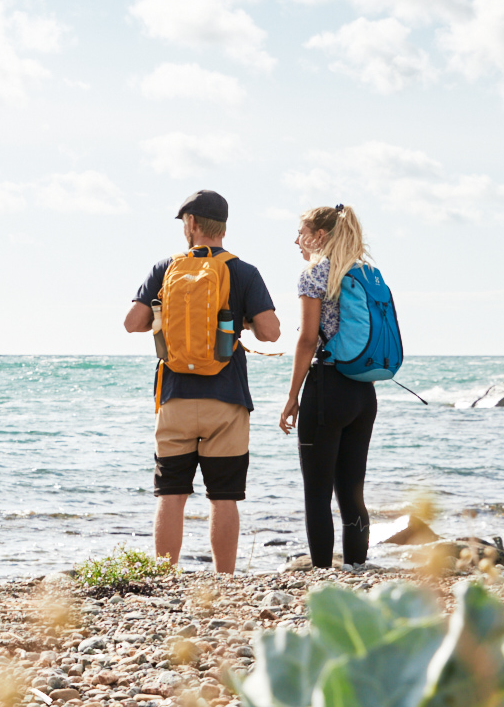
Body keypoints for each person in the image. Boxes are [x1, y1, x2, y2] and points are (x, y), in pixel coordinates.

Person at [122, 190, 280, 575]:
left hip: (175, 398)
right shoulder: (244, 271)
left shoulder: (165, 268)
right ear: (223, 226)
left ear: (191, 223)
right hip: (226, 401)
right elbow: (271, 332)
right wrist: (239, 321)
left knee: (171, 494)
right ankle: (224, 579)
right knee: (223, 497)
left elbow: (132, 323)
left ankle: (164, 576)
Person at [277, 201, 375, 568]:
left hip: (327, 388)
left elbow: (307, 339)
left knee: (317, 493)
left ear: (319, 235)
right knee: (352, 490)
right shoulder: (365, 272)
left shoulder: (315, 274)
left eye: (301, 232)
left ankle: (321, 573)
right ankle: (356, 567)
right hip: (363, 392)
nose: (296, 240)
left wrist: (292, 396)